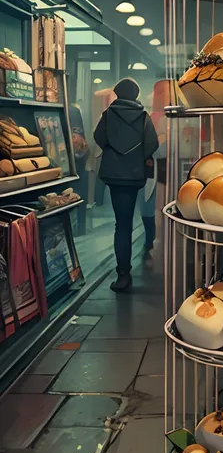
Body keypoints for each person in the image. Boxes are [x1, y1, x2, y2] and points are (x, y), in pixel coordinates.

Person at [93, 78, 158, 292]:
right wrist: (137, 155)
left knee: (122, 224)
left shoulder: (108, 115)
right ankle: (139, 251)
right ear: (136, 95)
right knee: (133, 217)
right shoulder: (143, 117)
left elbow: (98, 137)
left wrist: (114, 151)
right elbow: (152, 143)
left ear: (118, 93)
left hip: (114, 175)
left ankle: (123, 274)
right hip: (135, 175)